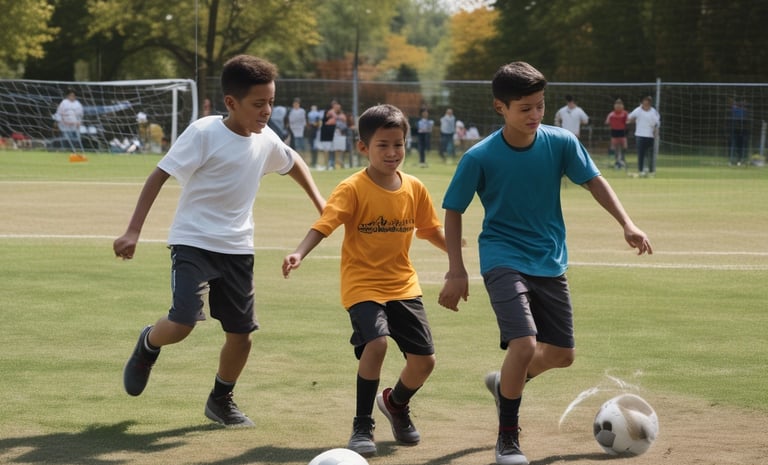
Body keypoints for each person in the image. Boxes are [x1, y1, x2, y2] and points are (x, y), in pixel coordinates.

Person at [437, 61, 653, 465]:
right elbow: (453, 210)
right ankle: (508, 438)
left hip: (550, 261)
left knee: (562, 354)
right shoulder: (479, 157)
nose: (535, 115)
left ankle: (507, 383)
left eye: (540, 106)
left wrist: (627, 223)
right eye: (526, 109)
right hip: (502, 257)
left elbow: (594, 181)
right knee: (524, 343)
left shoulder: (561, 143)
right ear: (500, 107)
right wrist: (456, 268)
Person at [113, 55, 326, 428]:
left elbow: (293, 162)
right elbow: (158, 177)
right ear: (231, 102)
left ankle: (221, 398)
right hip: (193, 241)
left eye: (270, 103)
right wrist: (133, 231)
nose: (267, 112)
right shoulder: (204, 133)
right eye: (258, 104)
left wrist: (321, 203)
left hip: (238, 248)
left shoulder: (266, 139)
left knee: (242, 336)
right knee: (181, 324)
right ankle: (149, 343)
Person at [282, 104, 450, 458]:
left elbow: (429, 229)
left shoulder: (415, 188)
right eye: (383, 145)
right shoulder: (352, 188)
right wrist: (299, 252)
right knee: (377, 345)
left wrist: (456, 252)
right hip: (362, 284)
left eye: (398, 145)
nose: (392, 153)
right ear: (363, 148)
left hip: (403, 285)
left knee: (424, 362)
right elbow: (324, 224)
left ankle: (395, 403)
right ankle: (362, 425)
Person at [627, 96, 661, 176]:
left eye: (647, 101)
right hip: (640, 135)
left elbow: (657, 123)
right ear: (642, 102)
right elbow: (630, 117)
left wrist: (656, 131)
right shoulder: (638, 110)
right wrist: (632, 120)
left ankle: (651, 171)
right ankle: (641, 170)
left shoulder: (653, 112)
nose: (646, 103)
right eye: (644, 101)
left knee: (650, 154)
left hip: (650, 136)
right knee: (641, 154)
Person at [54, 89, 86, 158]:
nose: (72, 97)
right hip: (65, 125)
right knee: (66, 138)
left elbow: (80, 115)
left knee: (76, 139)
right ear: (68, 96)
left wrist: (79, 122)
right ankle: (66, 151)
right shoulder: (63, 103)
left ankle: (79, 152)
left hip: (74, 125)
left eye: (73, 96)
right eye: (70, 95)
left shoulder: (78, 104)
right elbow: (58, 113)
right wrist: (62, 121)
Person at [605, 99, 628, 169]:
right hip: (614, 131)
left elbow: (628, 121)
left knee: (624, 146)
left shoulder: (625, 113)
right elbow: (607, 122)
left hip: (622, 131)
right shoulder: (611, 114)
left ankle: (622, 159)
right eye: (617, 105)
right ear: (614, 106)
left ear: (622, 106)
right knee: (614, 147)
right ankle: (616, 162)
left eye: (620, 105)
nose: (618, 106)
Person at [727, 97, 749, 166]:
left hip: (741, 131)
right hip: (736, 130)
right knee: (734, 145)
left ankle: (739, 160)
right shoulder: (735, 110)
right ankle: (733, 160)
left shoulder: (742, 110)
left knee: (740, 146)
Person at [307, 104, 324, 169]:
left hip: (316, 134)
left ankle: (315, 162)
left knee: (316, 149)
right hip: (312, 134)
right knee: (312, 149)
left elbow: (318, 124)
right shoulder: (310, 115)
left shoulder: (317, 116)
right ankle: (313, 161)